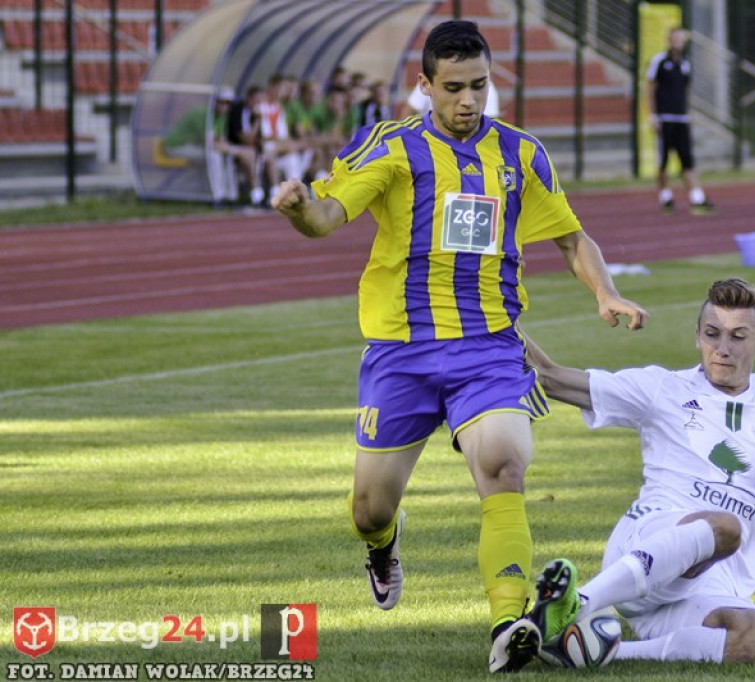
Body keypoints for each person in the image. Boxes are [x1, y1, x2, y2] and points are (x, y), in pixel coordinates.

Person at [271, 20, 649, 674]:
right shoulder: (390, 146)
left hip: (490, 347)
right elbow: (328, 218)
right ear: (425, 86)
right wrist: (300, 208)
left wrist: (604, 292)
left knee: (504, 464)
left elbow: (569, 237)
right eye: (452, 88)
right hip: (402, 353)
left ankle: (510, 621)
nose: (468, 100)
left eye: (479, 85)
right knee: (369, 510)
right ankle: (384, 547)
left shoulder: (522, 153)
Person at [524, 277, 755, 666]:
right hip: (645, 541)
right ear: (697, 337)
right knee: (725, 526)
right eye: (712, 334)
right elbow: (549, 376)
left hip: (705, 583)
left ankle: (595, 653)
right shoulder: (663, 388)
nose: (722, 349)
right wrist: (489, 314)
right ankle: (580, 602)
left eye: (738, 336)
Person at [648, 27, 715, 215]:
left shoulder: (686, 63)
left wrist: (688, 113)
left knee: (687, 159)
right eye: (676, 38)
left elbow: (685, 90)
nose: (679, 42)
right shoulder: (659, 61)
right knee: (663, 162)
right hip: (665, 118)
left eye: (682, 39)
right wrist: (653, 115)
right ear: (669, 40)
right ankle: (666, 198)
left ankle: (697, 198)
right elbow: (651, 88)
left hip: (681, 119)